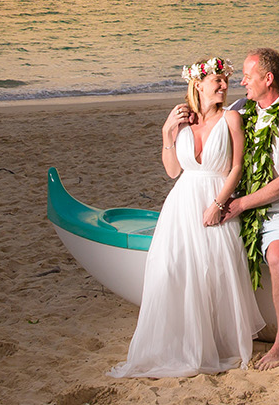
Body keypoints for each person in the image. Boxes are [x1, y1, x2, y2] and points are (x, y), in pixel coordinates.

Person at [109, 56, 264, 378]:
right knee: (173, 269)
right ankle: (179, 344)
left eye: (226, 81)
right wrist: (167, 133)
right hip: (181, 204)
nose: (223, 86)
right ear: (198, 84)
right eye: (217, 81)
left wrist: (218, 204)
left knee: (213, 273)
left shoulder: (232, 119)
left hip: (215, 202)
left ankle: (213, 345)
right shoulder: (182, 120)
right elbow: (172, 171)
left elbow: (236, 168)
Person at [222, 47, 279, 370]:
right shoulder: (241, 109)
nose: (243, 83)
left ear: (268, 78)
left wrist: (240, 204)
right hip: (242, 203)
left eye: (248, 77)